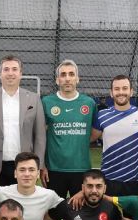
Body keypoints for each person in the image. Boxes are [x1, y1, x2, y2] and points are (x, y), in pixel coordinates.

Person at [0, 54, 46, 220]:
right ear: (0, 74)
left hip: (23, 167)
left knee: (22, 212)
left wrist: (37, 167)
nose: (10, 73)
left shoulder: (33, 99)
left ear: (21, 73)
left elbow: (40, 136)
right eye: (6, 69)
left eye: (14, 69)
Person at [41, 59, 97, 200]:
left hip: (81, 168)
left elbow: (96, 132)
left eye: (71, 74)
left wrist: (79, 140)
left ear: (77, 79)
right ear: (57, 80)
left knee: (80, 211)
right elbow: (40, 135)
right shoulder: (46, 102)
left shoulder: (89, 103)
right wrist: (42, 165)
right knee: (53, 211)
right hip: (54, 169)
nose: (67, 78)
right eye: (63, 74)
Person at [90, 74, 138, 197]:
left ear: (131, 92)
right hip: (109, 180)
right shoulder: (102, 115)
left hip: (135, 180)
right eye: (117, 89)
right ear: (111, 93)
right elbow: (89, 138)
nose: (121, 92)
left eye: (125, 88)